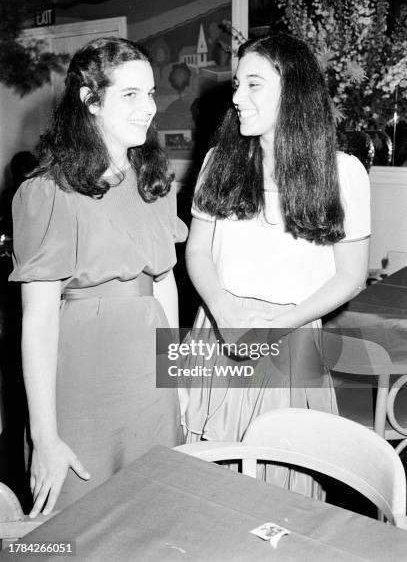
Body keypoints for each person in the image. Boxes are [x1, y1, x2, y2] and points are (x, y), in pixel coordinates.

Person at [181, 33, 370, 496]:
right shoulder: (217, 161)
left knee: (283, 488)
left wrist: (276, 326)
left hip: (292, 339)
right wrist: (223, 309)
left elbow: (351, 275)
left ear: (295, 90)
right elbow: (197, 251)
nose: (237, 97)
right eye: (236, 85)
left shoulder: (344, 172)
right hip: (214, 331)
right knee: (202, 478)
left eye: (254, 84)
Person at [9, 37, 187, 515]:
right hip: (83, 387)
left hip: (150, 383)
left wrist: (177, 382)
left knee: (154, 518)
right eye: (130, 94)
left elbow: (164, 285)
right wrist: (45, 437)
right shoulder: (47, 192)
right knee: (77, 528)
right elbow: (39, 323)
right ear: (90, 101)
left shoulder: (154, 180)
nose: (148, 107)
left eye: (150, 93)